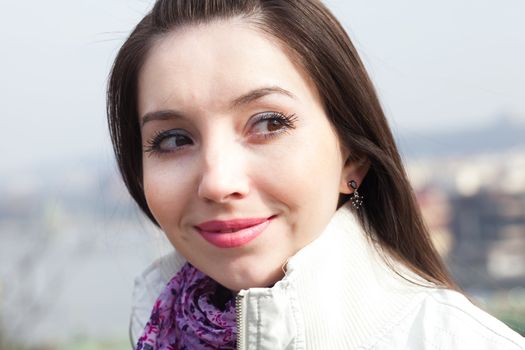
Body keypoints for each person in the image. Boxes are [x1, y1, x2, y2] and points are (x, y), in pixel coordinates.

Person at [106, 0, 525, 349]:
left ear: (351, 159)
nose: (217, 182)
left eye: (268, 124)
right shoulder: (160, 324)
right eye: (175, 140)